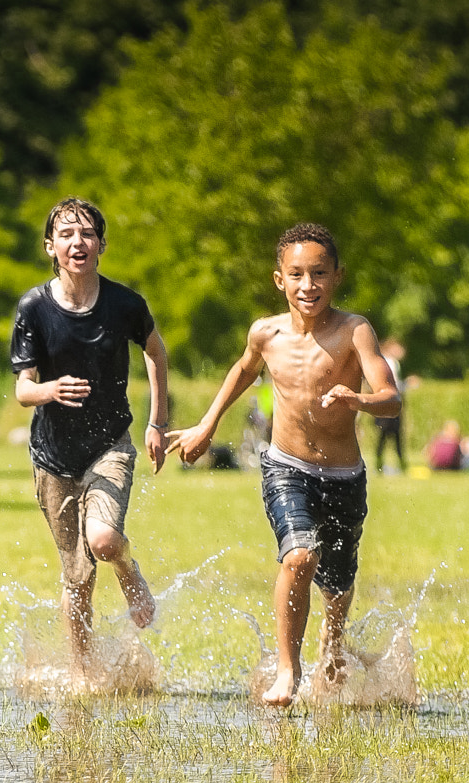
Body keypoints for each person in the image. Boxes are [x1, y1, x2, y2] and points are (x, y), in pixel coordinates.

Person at [163, 222, 400, 707]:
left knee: (337, 583)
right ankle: (288, 672)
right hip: (285, 466)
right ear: (279, 280)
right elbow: (242, 371)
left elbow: (391, 399)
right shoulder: (265, 333)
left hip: (344, 476)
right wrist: (206, 426)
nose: (307, 285)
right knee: (299, 556)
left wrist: (359, 399)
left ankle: (332, 645)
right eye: (296, 275)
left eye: (319, 273)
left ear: (337, 276)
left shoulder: (355, 331)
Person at [10, 196, 169, 683]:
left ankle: (126, 568)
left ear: (100, 244)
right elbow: (22, 389)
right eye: (66, 234)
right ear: (50, 247)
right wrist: (50, 390)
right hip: (53, 458)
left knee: (101, 540)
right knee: (76, 577)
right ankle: (84, 675)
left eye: (86, 234)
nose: (77, 242)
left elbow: (157, 355)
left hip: (110, 446)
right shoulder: (34, 307)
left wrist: (156, 423)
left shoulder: (125, 304)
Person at [371, 337, 409, 473]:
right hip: (386, 404)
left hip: (387, 404)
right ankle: (383, 464)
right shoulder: (387, 362)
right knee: (386, 436)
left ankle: (392, 464)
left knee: (393, 437)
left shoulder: (391, 362)